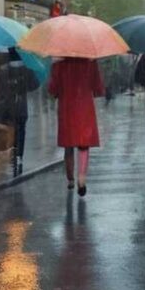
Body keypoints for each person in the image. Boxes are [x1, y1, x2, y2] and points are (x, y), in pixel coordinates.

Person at [48, 57, 106, 196]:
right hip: (84, 105)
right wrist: (98, 91)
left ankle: (70, 179)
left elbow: (53, 88)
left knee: (69, 144)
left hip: (67, 106)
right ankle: (82, 178)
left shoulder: (59, 62)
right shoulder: (90, 60)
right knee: (83, 144)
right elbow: (96, 84)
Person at [0, 48, 41, 177]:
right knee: (21, 132)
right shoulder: (26, 70)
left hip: (8, 109)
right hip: (22, 108)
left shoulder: (4, 72)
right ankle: (19, 157)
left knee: (11, 133)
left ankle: (12, 155)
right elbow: (34, 85)